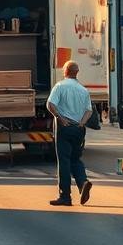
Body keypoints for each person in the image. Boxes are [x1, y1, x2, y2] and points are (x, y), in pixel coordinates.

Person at [46, 60, 94, 206]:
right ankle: (83, 182)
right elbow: (89, 110)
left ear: (65, 71)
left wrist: (60, 118)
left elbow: (50, 104)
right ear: (76, 72)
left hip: (64, 127)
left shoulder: (60, 86)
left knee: (64, 161)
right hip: (78, 129)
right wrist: (82, 123)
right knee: (76, 159)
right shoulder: (83, 89)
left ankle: (65, 196)